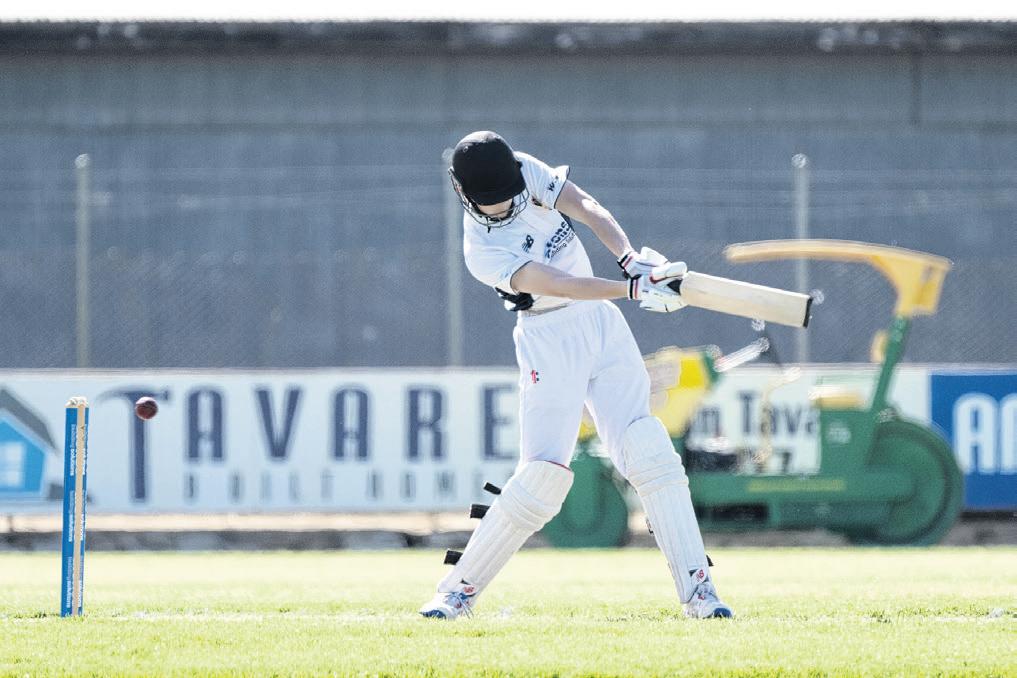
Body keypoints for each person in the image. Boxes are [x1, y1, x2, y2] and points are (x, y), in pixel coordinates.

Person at [419, 131, 733, 620]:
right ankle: (456, 593)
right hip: (549, 341)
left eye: (507, 197)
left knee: (649, 450)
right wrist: (632, 289)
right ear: (462, 191)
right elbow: (561, 284)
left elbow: (586, 206)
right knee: (542, 477)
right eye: (491, 204)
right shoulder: (481, 251)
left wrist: (630, 259)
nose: (502, 209)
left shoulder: (524, 168)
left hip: (601, 326)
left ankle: (700, 593)